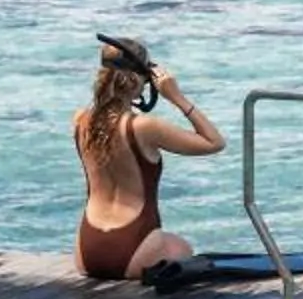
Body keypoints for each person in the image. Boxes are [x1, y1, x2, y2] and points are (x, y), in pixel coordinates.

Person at [73, 33, 225, 280]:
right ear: (137, 83)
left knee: (170, 245)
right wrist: (176, 97)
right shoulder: (143, 127)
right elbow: (214, 142)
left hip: (88, 251)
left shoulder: (80, 121)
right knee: (183, 248)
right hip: (133, 248)